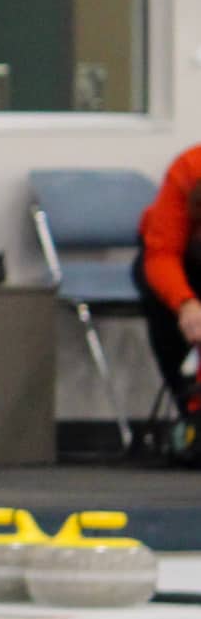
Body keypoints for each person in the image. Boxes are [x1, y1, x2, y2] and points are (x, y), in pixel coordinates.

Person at [136, 145, 201, 417]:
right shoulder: (189, 167)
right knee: (158, 295)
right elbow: (162, 255)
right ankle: (191, 413)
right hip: (184, 261)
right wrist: (186, 304)